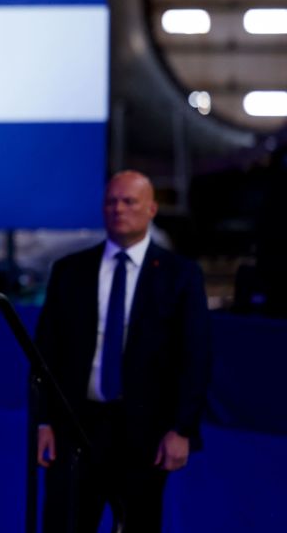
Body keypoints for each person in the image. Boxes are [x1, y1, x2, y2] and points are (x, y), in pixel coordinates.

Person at [35, 170, 211, 532]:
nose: (118, 209)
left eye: (129, 201)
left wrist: (182, 429)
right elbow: (45, 353)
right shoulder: (70, 270)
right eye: (111, 201)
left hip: (145, 434)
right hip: (76, 430)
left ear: (152, 209)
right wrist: (43, 422)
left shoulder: (181, 275)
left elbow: (195, 355)